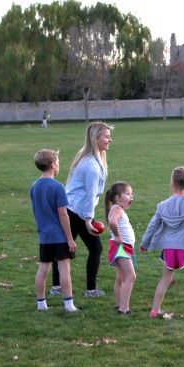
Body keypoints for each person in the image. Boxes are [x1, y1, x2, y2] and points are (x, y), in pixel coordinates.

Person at [50, 122, 113, 298]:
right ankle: (91, 290)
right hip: (77, 211)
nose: (110, 140)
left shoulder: (86, 156)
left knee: (64, 249)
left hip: (70, 209)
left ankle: (56, 287)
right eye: (106, 136)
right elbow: (90, 195)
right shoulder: (92, 165)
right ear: (96, 138)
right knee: (96, 249)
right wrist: (87, 220)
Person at [140, 166, 184, 319]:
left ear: (173, 183)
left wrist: (144, 243)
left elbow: (153, 225)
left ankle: (155, 310)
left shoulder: (163, 205)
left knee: (165, 279)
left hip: (170, 249)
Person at [30, 149, 79, 312]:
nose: (59, 165)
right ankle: (69, 305)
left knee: (43, 268)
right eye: (58, 162)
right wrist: (70, 239)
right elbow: (63, 215)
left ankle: (41, 304)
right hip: (58, 235)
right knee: (64, 269)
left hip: (44, 235)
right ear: (53, 165)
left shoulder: (34, 186)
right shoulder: (58, 187)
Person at [105, 182, 137, 315]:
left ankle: (119, 305)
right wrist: (118, 236)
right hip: (121, 247)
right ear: (118, 198)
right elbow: (112, 222)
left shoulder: (118, 208)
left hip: (123, 247)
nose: (131, 196)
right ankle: (124, 308)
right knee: (131, 276)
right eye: (128, 194)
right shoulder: (117, 209)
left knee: (121, 278)